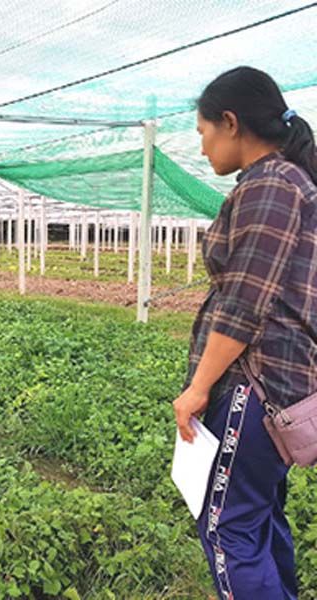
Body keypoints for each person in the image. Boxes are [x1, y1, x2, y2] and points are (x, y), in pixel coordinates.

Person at [173, 66, 317, 600]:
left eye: (204, 132)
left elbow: (245, 304)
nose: (204, 146)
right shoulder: (283, 182)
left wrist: (197, 389)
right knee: (257, 517)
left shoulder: (273, 183)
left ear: (230, 122)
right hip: (273, 386)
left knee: (227, 529)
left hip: (254, 385)